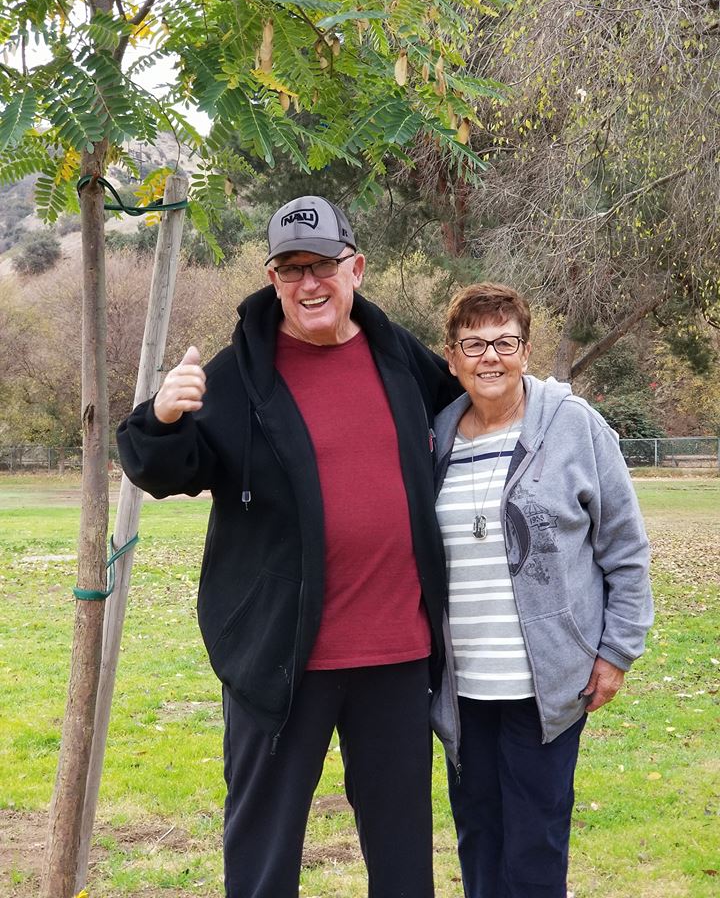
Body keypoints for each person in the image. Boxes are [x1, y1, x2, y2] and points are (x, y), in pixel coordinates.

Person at [117, 195, 459, 898]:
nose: (310, 283)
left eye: (324, 265)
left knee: (403, 857)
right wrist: (159, 416)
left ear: (355, 268)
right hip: (280, 663)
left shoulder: (401, 359)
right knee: (264, 854)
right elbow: (166, 472)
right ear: (271, 278)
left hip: (396, 654)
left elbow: (476, 408)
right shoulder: (237, 377)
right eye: (291, 268)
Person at [431, 283, 653, 898]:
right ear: (451, 358)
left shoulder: (573, 427)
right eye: (473, 344)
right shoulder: (436, 439)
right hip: (464, 686)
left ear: (525, 351)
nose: (490, 357)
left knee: (534, 842)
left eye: (504, 341)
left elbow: (626, 550)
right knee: (478, 836)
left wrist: (615, 653)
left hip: (548, 684)